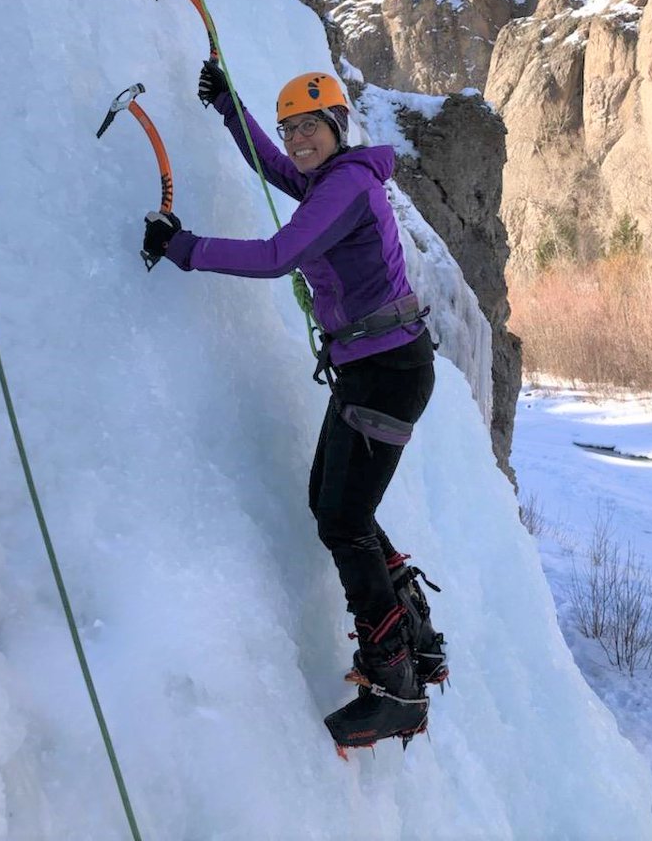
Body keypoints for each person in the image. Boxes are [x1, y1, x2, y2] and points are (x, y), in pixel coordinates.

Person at [142, 63, 446, 750]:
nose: (299, 139)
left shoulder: (346, 184)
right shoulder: (331, 177)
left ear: (338, 126)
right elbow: (278, 169)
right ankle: (414, 636)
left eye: (311, 125)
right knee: (333, 506)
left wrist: (182, 246)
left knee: (343, 517)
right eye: (291, 128)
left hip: (388, 373)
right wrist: (231, 108)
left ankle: (395, 683)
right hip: (373, 369)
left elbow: (279, 255)